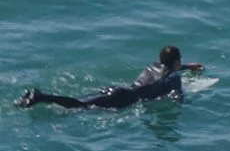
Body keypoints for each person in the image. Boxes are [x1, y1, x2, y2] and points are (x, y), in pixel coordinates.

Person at [18, 45, 203, 111]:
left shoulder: (154, 65)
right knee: (79, 106)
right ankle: (40, 97)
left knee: (80, 102)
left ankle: (39, 98)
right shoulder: (174, 78)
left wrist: (188, 66)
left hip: (118, 90)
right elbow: (178, 98)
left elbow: (167, 67)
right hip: (125, 99)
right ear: (176, 63)